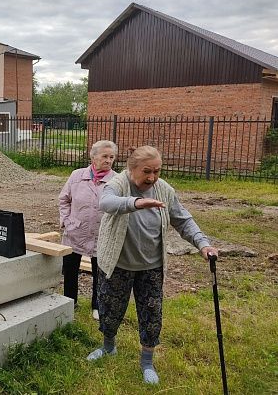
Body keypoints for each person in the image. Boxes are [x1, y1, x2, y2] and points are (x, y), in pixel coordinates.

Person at [86, 145, 219, 385]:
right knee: (110, 309)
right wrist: (137, 203)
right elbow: (106, 203)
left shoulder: (163, 189)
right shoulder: (118, 183)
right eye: (147, 171)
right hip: (117, 264)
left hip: (151, 267)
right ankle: (108, 347)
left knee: (151, 315)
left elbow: (183, 219)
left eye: (157, 171)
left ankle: (147, 362)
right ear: (131, 168)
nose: (152, 177)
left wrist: (203, 244)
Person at [58, 140, 117, 319]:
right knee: (70, 270)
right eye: (104, 156)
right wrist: (66, 220)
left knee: (100, 273)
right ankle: (70, 301)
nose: (108, 160)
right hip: (75, 231)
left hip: (101, 234)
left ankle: (97, 306)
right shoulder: (77, 176)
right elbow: (64, 199)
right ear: (93, 156)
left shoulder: (117, 180)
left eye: (111, 157)